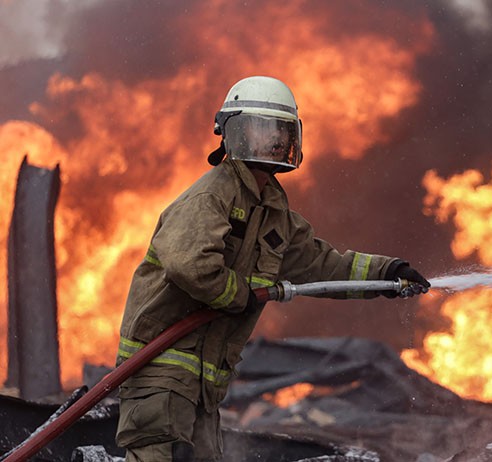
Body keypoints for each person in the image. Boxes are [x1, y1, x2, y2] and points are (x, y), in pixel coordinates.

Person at [115, 76, 430, 461]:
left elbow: (321, 264)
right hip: (160, 372)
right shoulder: (211, 195)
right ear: (232, 134)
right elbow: (189, 263)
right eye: (259, 131)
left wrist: (387, 274)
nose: (273, 142)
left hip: (203, 380)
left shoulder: (272, 211)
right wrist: (239, 294)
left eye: (280, 132)